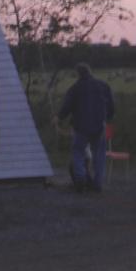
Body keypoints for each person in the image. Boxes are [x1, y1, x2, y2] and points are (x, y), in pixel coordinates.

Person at [54, 63, 114, 193]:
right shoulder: (103, 86)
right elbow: (111, 107)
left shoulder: (75, 88)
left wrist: (58, 117)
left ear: (78, 74)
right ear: (90, 72)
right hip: (99, 126)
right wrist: (106, 119)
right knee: (99, 155)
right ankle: (97, 184)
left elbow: (67, 106)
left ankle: (80, 179)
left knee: (78, 152)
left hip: (81, 127)